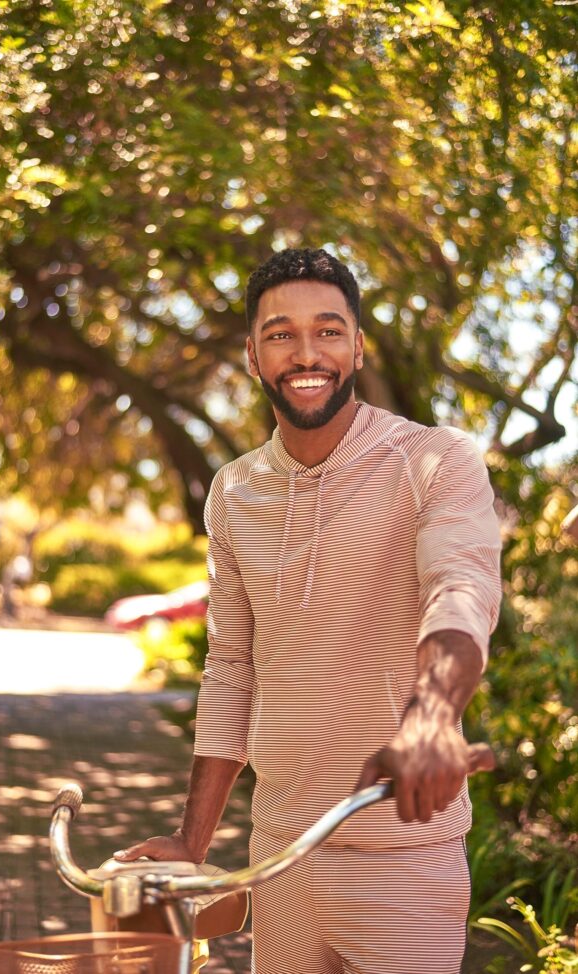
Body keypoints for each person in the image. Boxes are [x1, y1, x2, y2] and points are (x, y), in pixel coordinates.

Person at [115, 249, 502, 974]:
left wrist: (433, 714)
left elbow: (462, 589)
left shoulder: (434, 460)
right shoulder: (232, 492)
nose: (306, 353)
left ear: (357, 345)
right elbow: (232, 668)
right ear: (254, 356)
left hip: (403, 862)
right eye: (280, 334)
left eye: (328, 331)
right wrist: (192, 841)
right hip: (279, 859)